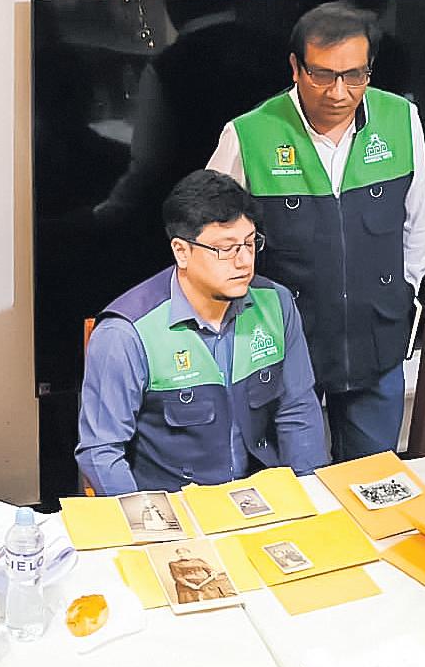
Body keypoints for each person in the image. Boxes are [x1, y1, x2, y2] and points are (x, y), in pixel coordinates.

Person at [207, 2, 425, 462]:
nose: (339, 92)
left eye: (354, 75)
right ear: (296, 67)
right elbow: (210, 244)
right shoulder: (248, 134)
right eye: (323, 75)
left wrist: (399, 295)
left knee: (372, 480)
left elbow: (417, 227)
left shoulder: (401, 119)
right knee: (293, 485)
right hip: (284, 351)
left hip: (376, 344)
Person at [77, 169, 327, 495]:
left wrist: (311, 498)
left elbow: (298, 409)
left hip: (263, 496)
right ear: (181, 251)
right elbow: (101, 451)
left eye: (250, 243)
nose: (244, 261)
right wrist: (149, 519)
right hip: (176, 506)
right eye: (225, 249)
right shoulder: (126, 334)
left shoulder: (276, 304)